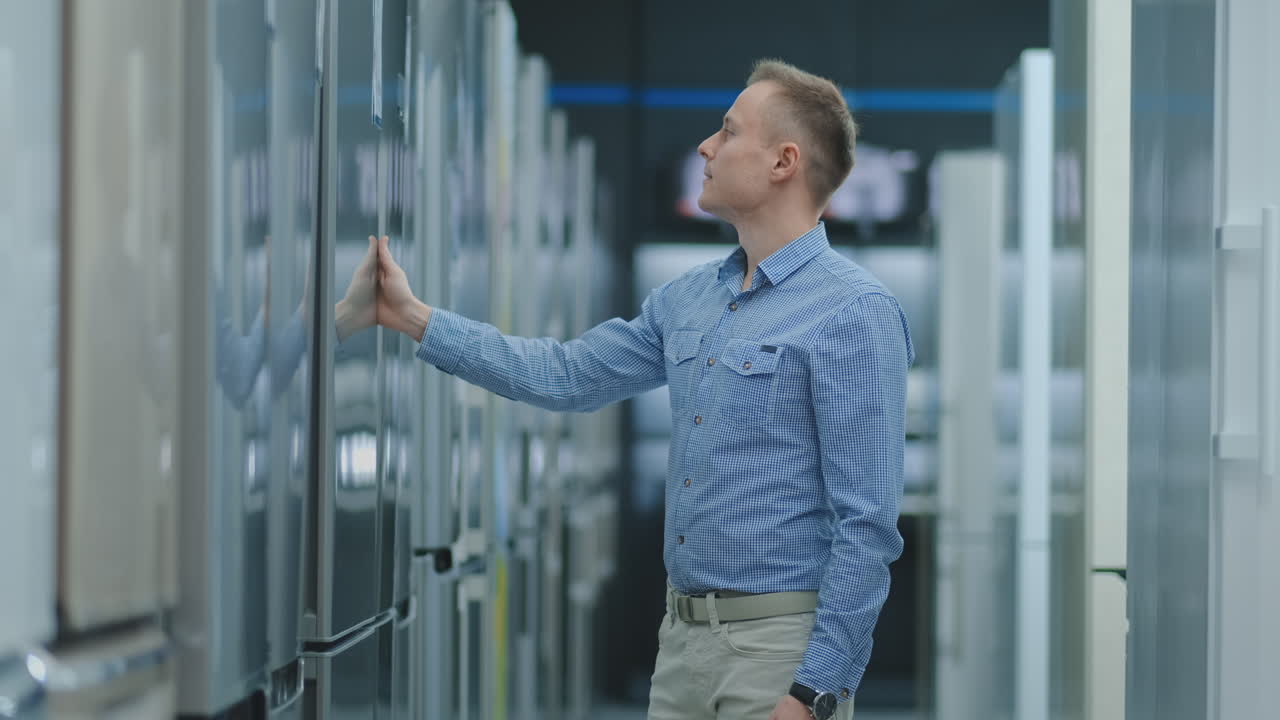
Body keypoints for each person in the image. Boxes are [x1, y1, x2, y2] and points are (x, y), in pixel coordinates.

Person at [376, 59, 913, 720]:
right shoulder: (687, 299)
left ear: (784, 162)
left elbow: (868, 524)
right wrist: (414, 318)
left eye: (728, 130)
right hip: (681, 644)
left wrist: (815, 689)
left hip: (778, 656)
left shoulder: (855, 311)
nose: (705, 148)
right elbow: (565, 375)